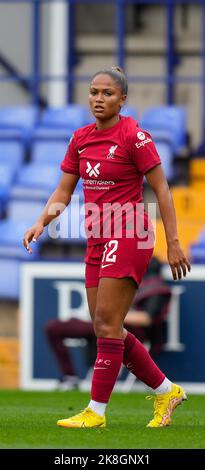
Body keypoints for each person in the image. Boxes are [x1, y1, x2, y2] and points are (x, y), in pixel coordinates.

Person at [23, 66, 191, 429]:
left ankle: (96, 412)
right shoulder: (80, 138)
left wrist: (173, 241)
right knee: (107, 327)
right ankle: (167, 391)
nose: (99, 99)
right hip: (97, 237)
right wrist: (41, 221)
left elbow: (161, 189)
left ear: (122, 100)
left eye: (107, 93)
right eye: (94, 92)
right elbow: (64, 191)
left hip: (130, 232)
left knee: (105, 323)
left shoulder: (134, 136)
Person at [44, 256, 171, 389]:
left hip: (122, 329)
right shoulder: (137, 284)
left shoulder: (155, 288)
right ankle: (69, 376)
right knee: (55, 327)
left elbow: (146, 318)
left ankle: (70, 378)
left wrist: (110, 315)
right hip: (110, 325)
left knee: (54, 328)